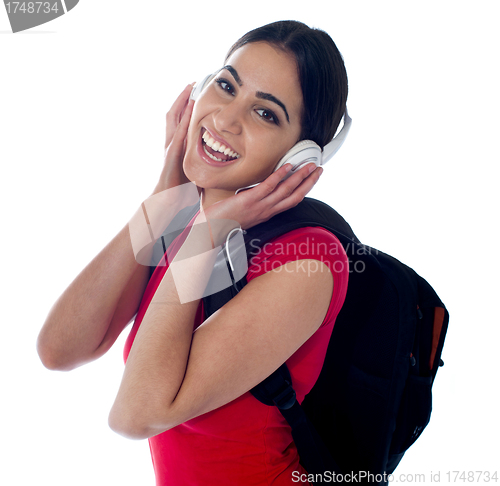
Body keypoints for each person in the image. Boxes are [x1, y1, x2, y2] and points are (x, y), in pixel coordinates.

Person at [37, 20, 350, 485]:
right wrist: (168, 191)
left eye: (266, 114)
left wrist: (207, 234)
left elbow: (135, 415)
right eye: (226, 86)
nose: (225, 119)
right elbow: (60, 349)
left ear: (302, 157)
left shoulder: (307, 262)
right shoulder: (185, 219)